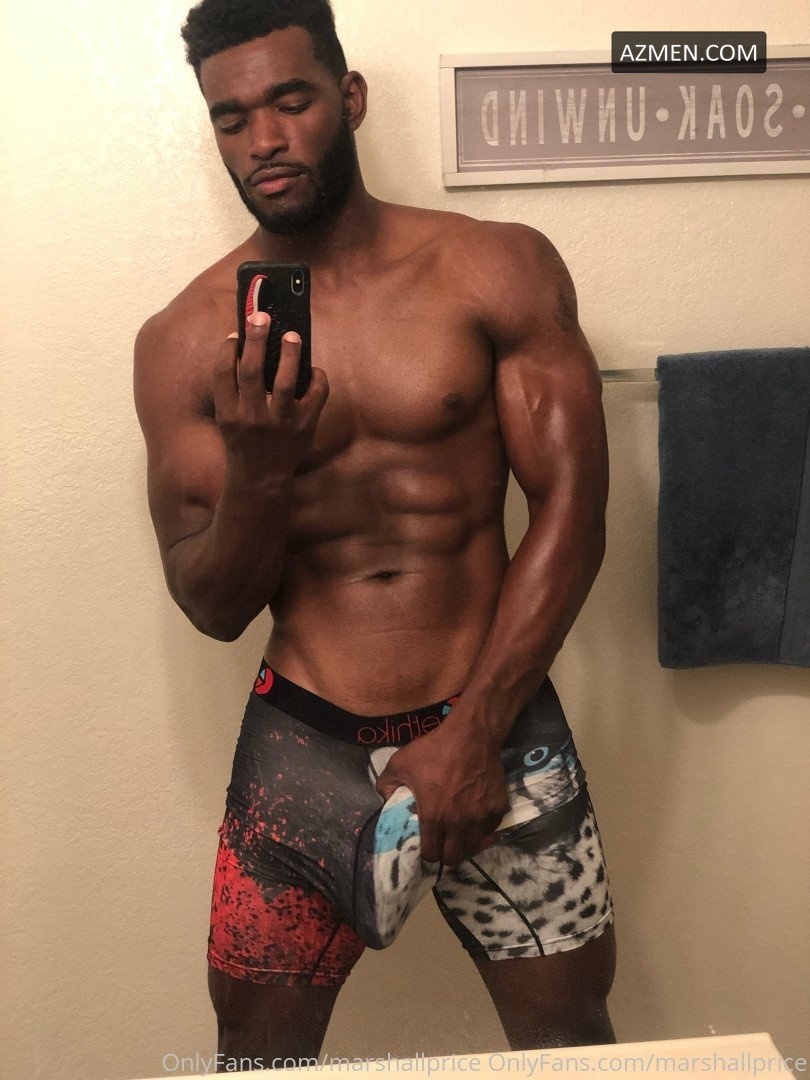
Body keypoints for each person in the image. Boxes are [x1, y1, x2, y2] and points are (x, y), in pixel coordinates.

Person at [133, 0, 616, 1068]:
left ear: (348, 98)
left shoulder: (494, 269)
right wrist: (261, 470)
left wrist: (476, 731)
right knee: (256, 1056)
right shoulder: (181, 341)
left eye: (290, 100)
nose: (263, 139)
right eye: (231, 118)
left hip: (499, 721)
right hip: (303, 745)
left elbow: (575, 510)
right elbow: (211, 607)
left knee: (573, 1044)